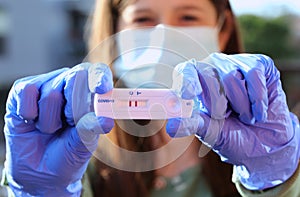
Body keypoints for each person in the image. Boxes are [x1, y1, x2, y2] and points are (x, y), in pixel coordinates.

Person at [1, 0, 299, 197]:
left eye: (188, 16)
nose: (162, 34)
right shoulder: (75, 157)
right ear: (115, 32)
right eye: (143, 18)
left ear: (223, 31)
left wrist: (277, 180)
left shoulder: (273, 140)